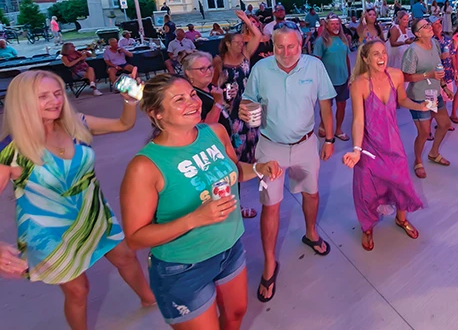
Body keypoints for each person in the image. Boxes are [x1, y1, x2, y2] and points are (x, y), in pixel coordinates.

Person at [120, 74, 281, 328]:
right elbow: (135, 237)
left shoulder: (214, 132)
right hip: (183, 266)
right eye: (179, 100)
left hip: (230, 246)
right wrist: (195, 218)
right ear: (157, 113)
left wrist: (260, 168)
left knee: (236, 313)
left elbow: (234, 172)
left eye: (193, 94)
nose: (193, 102)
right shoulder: (145, 166)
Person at [0, 70, 155, 329]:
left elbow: (123, 125)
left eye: (58, 93)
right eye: (43, 96)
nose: (55, 101)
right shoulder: (12, 149)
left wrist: (129, 101)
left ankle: (150, 299)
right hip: (49, 233)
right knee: (78, 290)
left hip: (94, 215)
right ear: (23, 102)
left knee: (126, 258)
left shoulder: (76, 123)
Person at [242, 22, 336, 303]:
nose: (285, 52)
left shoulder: (314, 66)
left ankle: (310, 233)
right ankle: (270, 263)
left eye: (291, 45)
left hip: (307, 143)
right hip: (271, 147)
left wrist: (329, 139)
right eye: (279, 46)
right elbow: (247, 100)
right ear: (272, 45)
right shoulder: (261, 69)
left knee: (312, 193)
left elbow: (325, 107)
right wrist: (247, 110)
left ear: (301, 43)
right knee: (270, 206)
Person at [342, 40, 425, 251]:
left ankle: (401, 218)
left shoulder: (395, 75)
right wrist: (356, 150)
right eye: (376, 54)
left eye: (384, 53)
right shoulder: (359, 84)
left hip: (393, 143)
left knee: (401, 183)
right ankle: (368, 227)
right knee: (367, 190)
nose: (382, 57)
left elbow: (403, 100)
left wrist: (419, 105)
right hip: (369, 148)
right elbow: (358, 120)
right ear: (365, 59)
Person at [212, 11, 263, 220]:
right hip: (229, 113)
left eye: (243, 42)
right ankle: (235, 205)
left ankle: (247, 186)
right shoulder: (218, 61)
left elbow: (258, 36)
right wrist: (223, 94)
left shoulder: (245, 57)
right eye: (237, 42)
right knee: (231, 159)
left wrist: (246, 21)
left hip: (247, 110)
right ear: (227, 44)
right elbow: (212, 86)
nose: (241, 45)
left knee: (250, 150)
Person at [402, 18, 452, 179]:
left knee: (444, 124)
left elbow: (437, 68)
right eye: (425, 26)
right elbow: (406, 77)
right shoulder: (413, 50)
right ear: (417, 33)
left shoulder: (435, 44)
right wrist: (427, 75)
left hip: (434, 93)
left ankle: (433, 152)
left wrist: (444, 87)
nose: (430, 27)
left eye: (429, 24)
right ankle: (417, 160)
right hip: (419, 96)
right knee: (424, 132)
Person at [313, 13, 351, 141]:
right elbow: (316, 62)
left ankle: (338, 129)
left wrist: (350, 76)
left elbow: (346, 58)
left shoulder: (343, 39)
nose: (335, 26)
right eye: (332, 24)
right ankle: (324, 125)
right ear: (327, 26)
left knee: (342, 106)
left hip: (343, 79)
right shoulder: (321, 41)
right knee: (326, 106)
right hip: (327, 81)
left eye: (337, 24)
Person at [183, 51, 232, 137]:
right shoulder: (191, 97)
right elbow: (204, 129)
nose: (209, 72)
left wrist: (230, 98)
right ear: (189, 73)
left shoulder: (210, 86)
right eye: (202, 69)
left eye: (210, 67)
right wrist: (218, 102)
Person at [431, 18, 455, 134]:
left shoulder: (447, 39)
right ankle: (426, 129)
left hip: (447, 74)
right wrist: (441, 57)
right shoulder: (429, 41)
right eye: (436, 24)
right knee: (432, 103)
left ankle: (442, 123)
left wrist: (456, 70)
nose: (439, 25)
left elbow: (453, 56)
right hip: (433, 76)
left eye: (439, 23)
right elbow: (428, 60)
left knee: (444, 100)